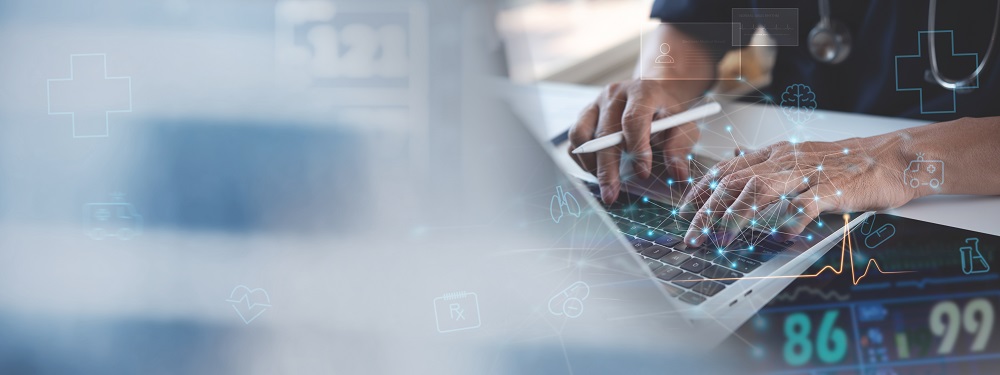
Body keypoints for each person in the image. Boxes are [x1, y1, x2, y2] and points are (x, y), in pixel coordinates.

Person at [566, 0, 1000, 247]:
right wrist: (661, 87)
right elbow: (704, 19)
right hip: (785, 167)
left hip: (965, 196)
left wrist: (898, 158)